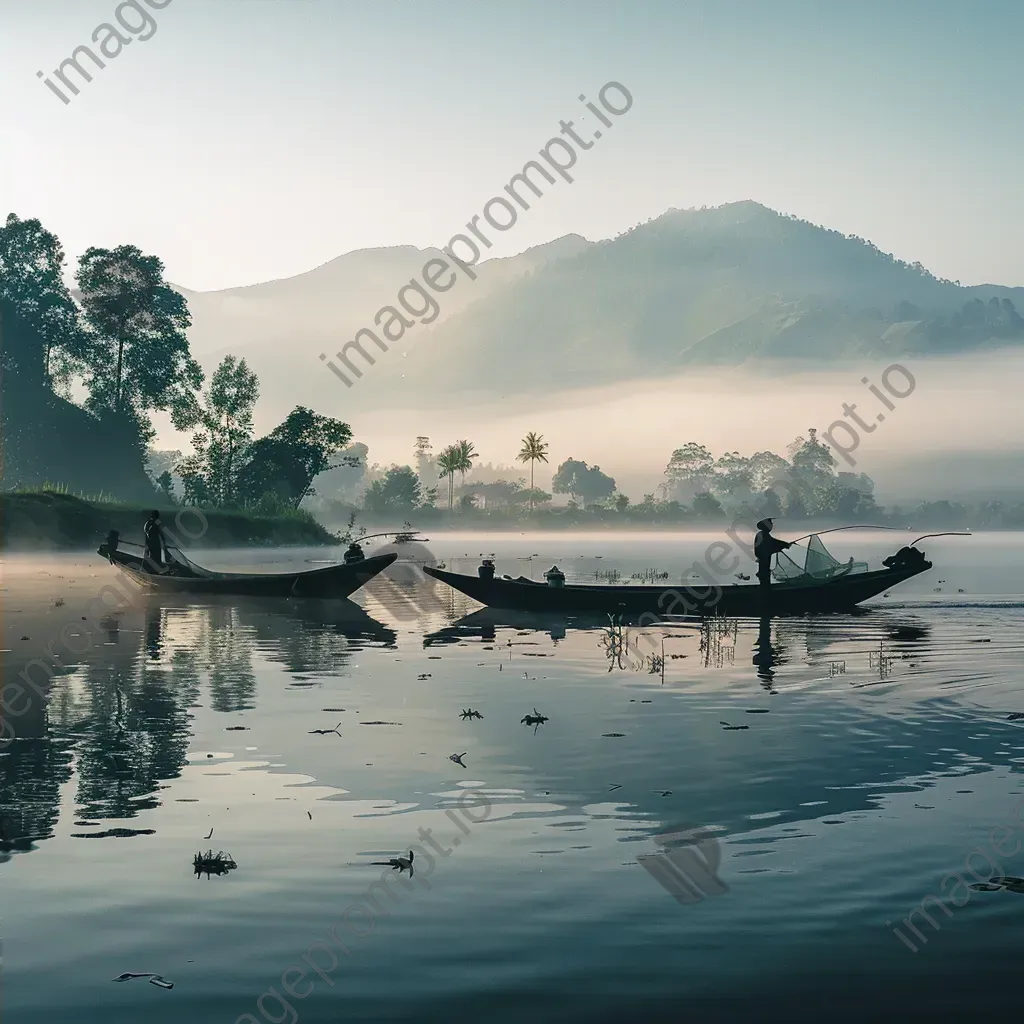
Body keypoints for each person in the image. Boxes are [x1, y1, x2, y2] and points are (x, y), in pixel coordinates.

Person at [753, 519, 792, 589]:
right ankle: (765, 590)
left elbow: (774, 542)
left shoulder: (762, 534)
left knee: (764, 574)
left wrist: (785, 544)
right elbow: (773, 543)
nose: (772, 526)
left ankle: (764, 588)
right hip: (764, 560)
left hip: (763, 559)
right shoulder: (763, 535)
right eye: (770, 525)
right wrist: (785, 545)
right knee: (764, 575)